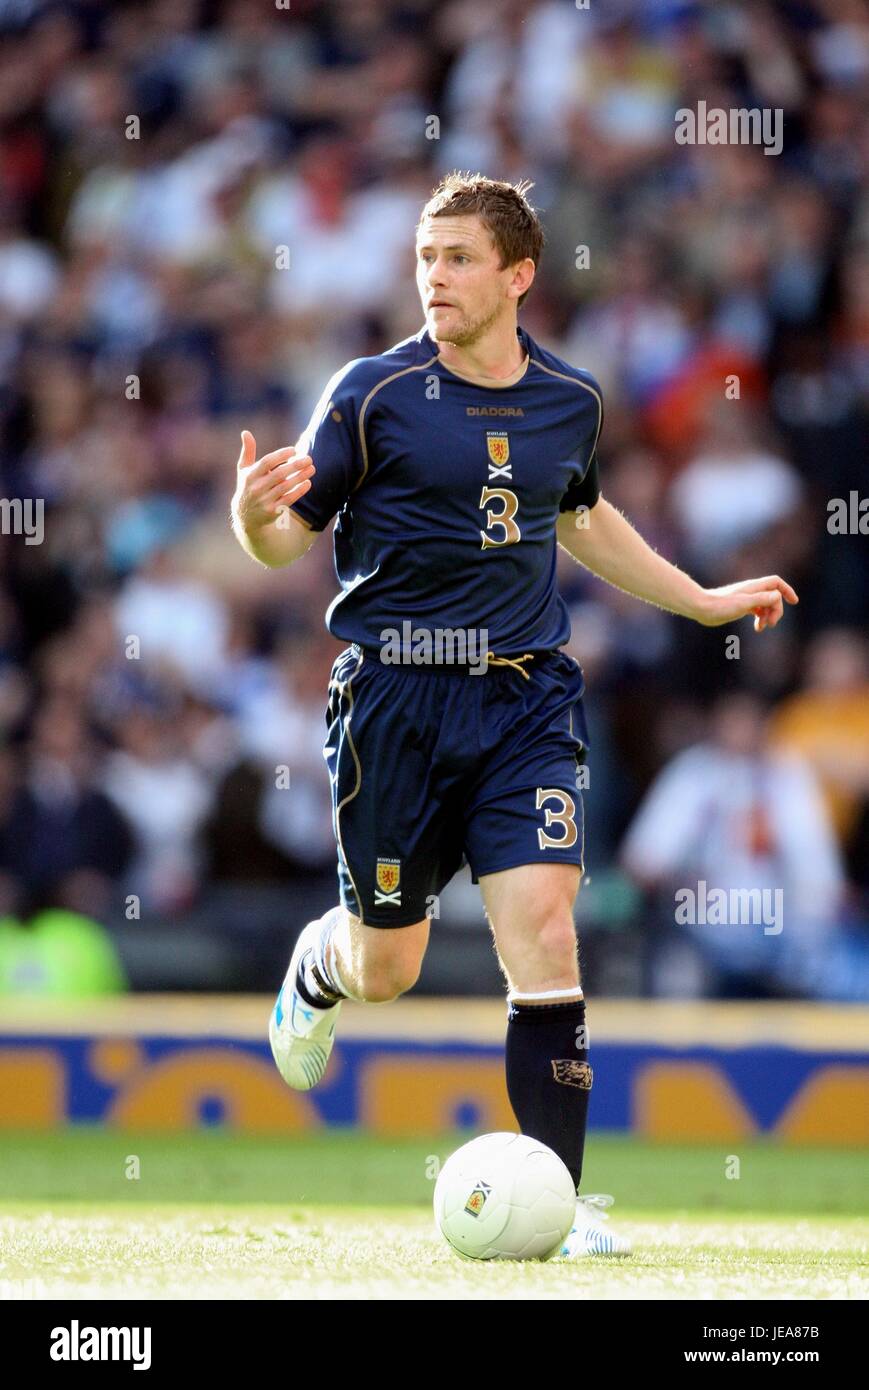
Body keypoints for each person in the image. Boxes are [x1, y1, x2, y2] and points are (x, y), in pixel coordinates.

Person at [230, 173, 798, 1258]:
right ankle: (320, 962)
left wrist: (698, 597)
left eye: (455, 258)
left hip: (526, 695)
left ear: (517, 274)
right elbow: (286, 538)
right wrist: (250, 520)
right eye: (422, 257)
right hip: (395, 701)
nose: (431, 277)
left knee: (543, 934)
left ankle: (562, 1201)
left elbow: (579, 518)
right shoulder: (370, 392)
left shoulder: (570, 401)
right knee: (385, 969)